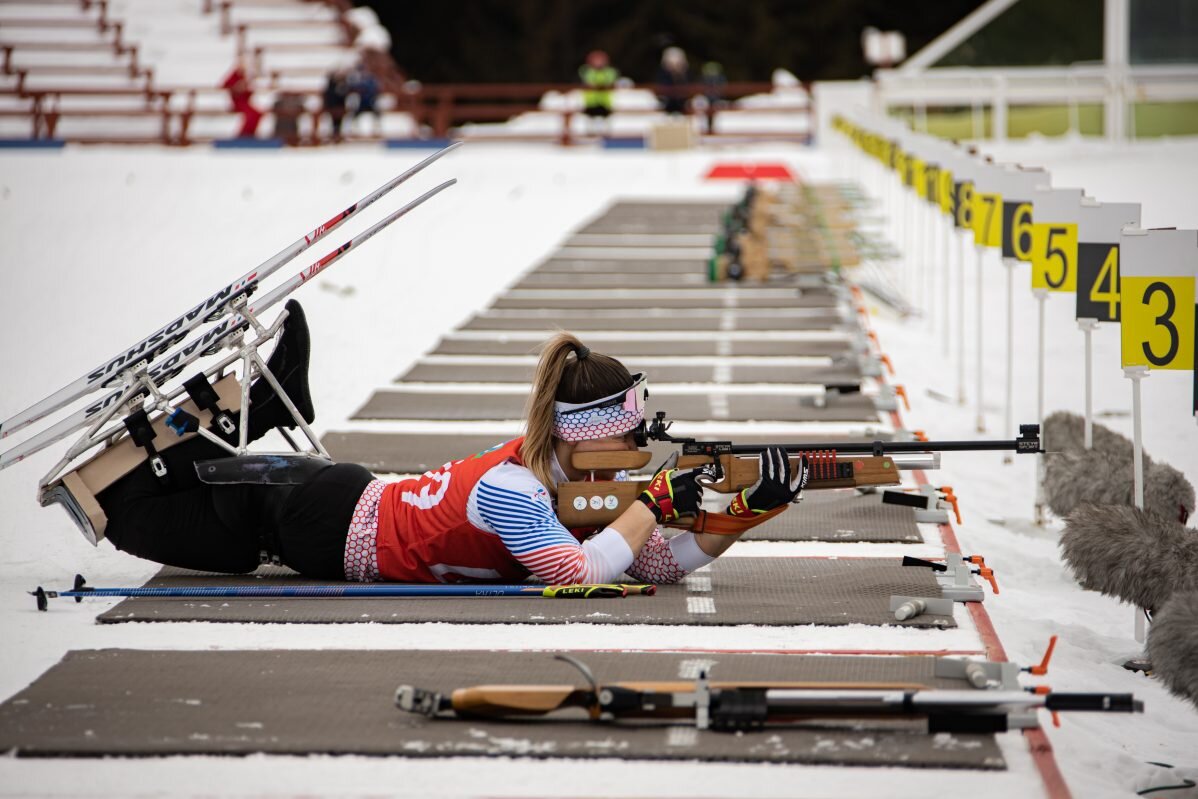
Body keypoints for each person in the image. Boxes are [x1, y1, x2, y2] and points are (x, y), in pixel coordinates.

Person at [94, 307, 807, 585]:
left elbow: (650, 564)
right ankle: (252, 401)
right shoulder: (517, 487)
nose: (638, 447)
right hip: (293, 511)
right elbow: (577, 572)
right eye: (628, 433)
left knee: (141, 510)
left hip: (324, 500)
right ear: (584, 433)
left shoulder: (567, 484)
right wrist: (654, 503)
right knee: (117, 511)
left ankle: (258, 402)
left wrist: (741, 513)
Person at [220, 60, 262, 138]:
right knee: (252, 114)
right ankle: (244, 133)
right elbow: (224, 86)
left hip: (245, 102)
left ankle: (250, 133)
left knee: (258, 113)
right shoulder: (234, 76)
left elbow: (248, 93)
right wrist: (236, 88)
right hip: (238, 103)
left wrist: (248, 88)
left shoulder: (244, 77)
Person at [578, 50, 618, 120]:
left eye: (600, 60)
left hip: (605, 104)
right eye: (596, 60)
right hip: (590, 104)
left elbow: (610, 81)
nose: (598, 62)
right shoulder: (586, 71)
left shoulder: (610, 72)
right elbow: (587, 80)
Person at [656, 46, 691, 115]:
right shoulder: (662, 75)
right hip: (667, 107)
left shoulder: (686, 75)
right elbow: (663, 91)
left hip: (683, 106)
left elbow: (687, 89)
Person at [322, 69, 350, 143]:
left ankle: (339, 136)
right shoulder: (330, 86)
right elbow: (328, 96)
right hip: (331, 108)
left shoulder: (344, 85)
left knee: (340, 123)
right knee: (331, 122)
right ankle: (331, 136)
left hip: (341, 108)